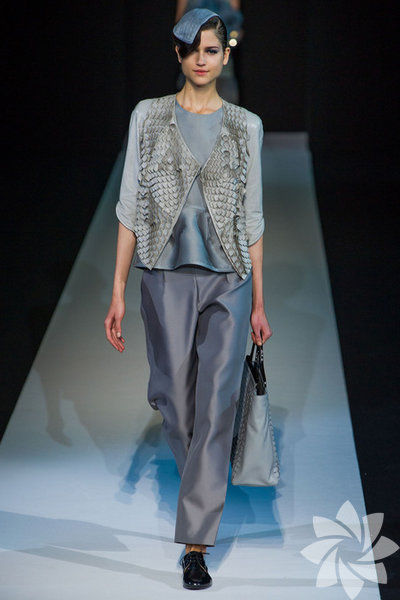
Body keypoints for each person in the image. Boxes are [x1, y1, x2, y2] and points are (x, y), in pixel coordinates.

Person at [104, 8, 272, 591]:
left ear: (226, 55)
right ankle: (206, 469)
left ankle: (195, 544)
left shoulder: (246, 125)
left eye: (212, 49)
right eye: (192, 49)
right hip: (162, 275)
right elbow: (130, 205)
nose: (202, 59)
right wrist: (117, 289)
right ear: (178, 54)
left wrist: (259, 302)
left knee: (217, 404)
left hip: (230, 279)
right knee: (175, 399)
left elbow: (253, 217)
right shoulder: (147, 116)